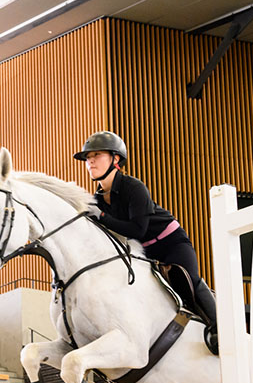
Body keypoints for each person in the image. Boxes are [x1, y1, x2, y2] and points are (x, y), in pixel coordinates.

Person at [74, 131, 218, 353]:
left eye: (97, 154)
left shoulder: (134, 187)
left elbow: (137, 229)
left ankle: (221, 329)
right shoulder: (98, 199)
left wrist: (101, 217)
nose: (90, 160)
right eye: (88, 157)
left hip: (171, 243)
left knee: (189, 281)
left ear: (116, 159)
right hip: (145, 252)